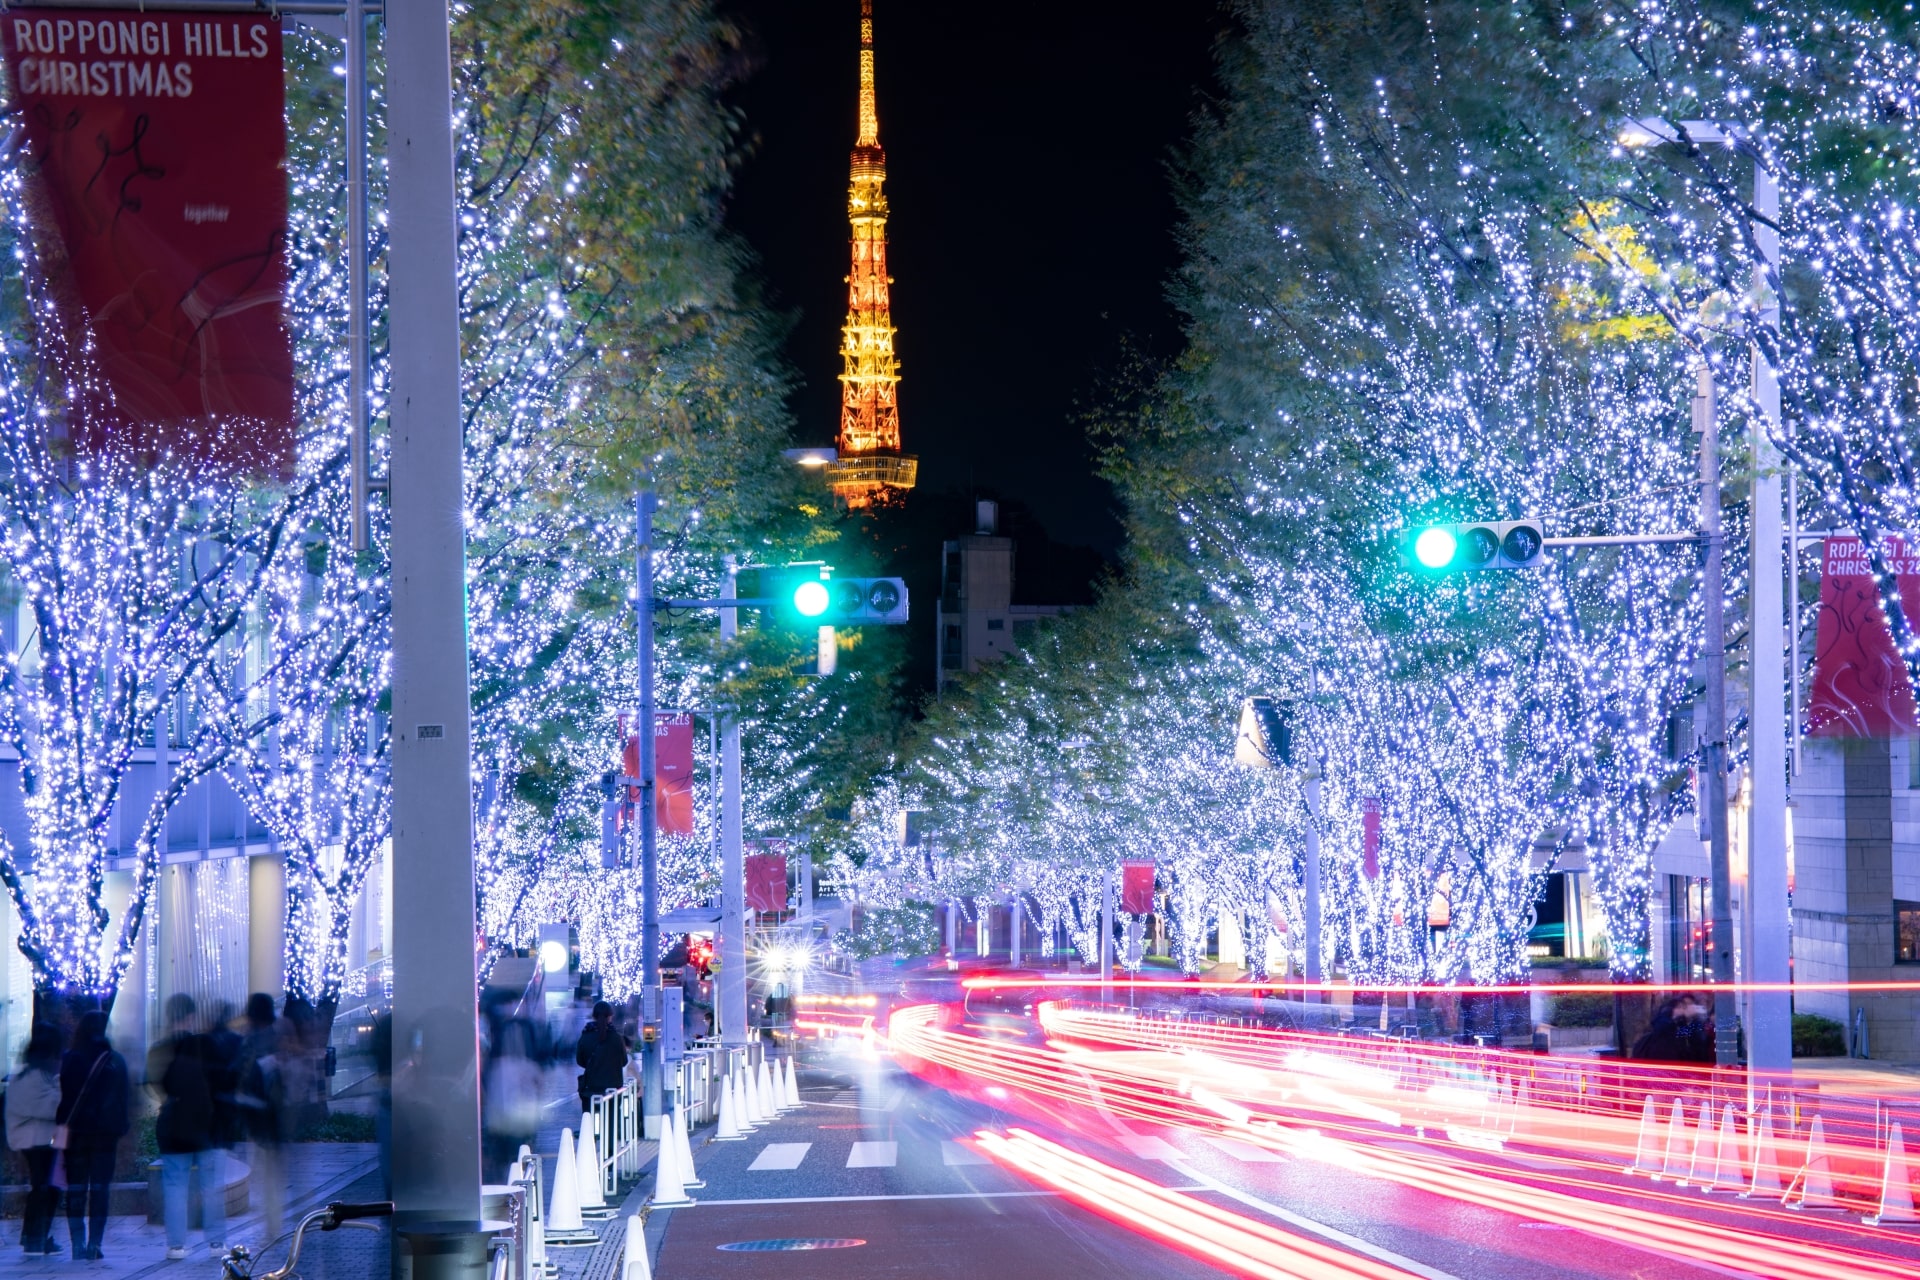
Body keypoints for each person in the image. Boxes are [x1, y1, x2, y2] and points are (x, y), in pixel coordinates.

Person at [148, 993, 225, 1260]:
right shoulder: (206, 1045)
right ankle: (216, 1243)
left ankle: (176, 1246)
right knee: (210, 1185)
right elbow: (220, 1084)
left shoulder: (159, 1049)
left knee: (175, 1187)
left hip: (172, 1126)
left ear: (169, 1015)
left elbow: (157, 1085)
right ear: (191, 1016)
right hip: (205, 1126)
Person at [56, 1011, 129, 1262]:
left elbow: (61, 1099)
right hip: (105, 1136)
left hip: (76, 1135)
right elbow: (123, 1100)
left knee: (76, 1189)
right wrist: (120, 1128)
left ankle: (77, 1243)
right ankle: (95, 1244)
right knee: (100, 1190)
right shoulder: (114, 1061)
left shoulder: (70, 1059)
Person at [6, 1026, 64, 1256]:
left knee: (46, 1188)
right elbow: (51, 1106)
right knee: (43, 1188)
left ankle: (37, 1236)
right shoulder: (31, 1077)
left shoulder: (32, 1075)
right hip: (34, 1141)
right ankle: (34, 1237)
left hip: (39, 1140)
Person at [235, 993, 287, 1240]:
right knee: (272, 1174)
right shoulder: (279, 1038)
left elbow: (241, 1076)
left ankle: (271, 1227)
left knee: (264, 1173)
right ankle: (274, 1224)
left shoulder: (250, 1041)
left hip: (256, 1115)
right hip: (277, 1114)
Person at [1632, 993, 1717, 1065]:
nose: (1687, 1009)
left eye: (1690, 1005)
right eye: (1682, 1006)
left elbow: (1699, 1048)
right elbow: (1667, 1032)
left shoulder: (1692, 1028)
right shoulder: (1663, 1028)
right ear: (1671, 1009)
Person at [574, 1001, 628, 1109]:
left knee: (589, 1121)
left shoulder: (585, 1036)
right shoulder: (617, 1038)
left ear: (593, 1016)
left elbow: (579, 1060)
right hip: (613, 1089)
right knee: (611, 1121)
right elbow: (624, 1061)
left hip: (591, 1089)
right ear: (610, 1017)